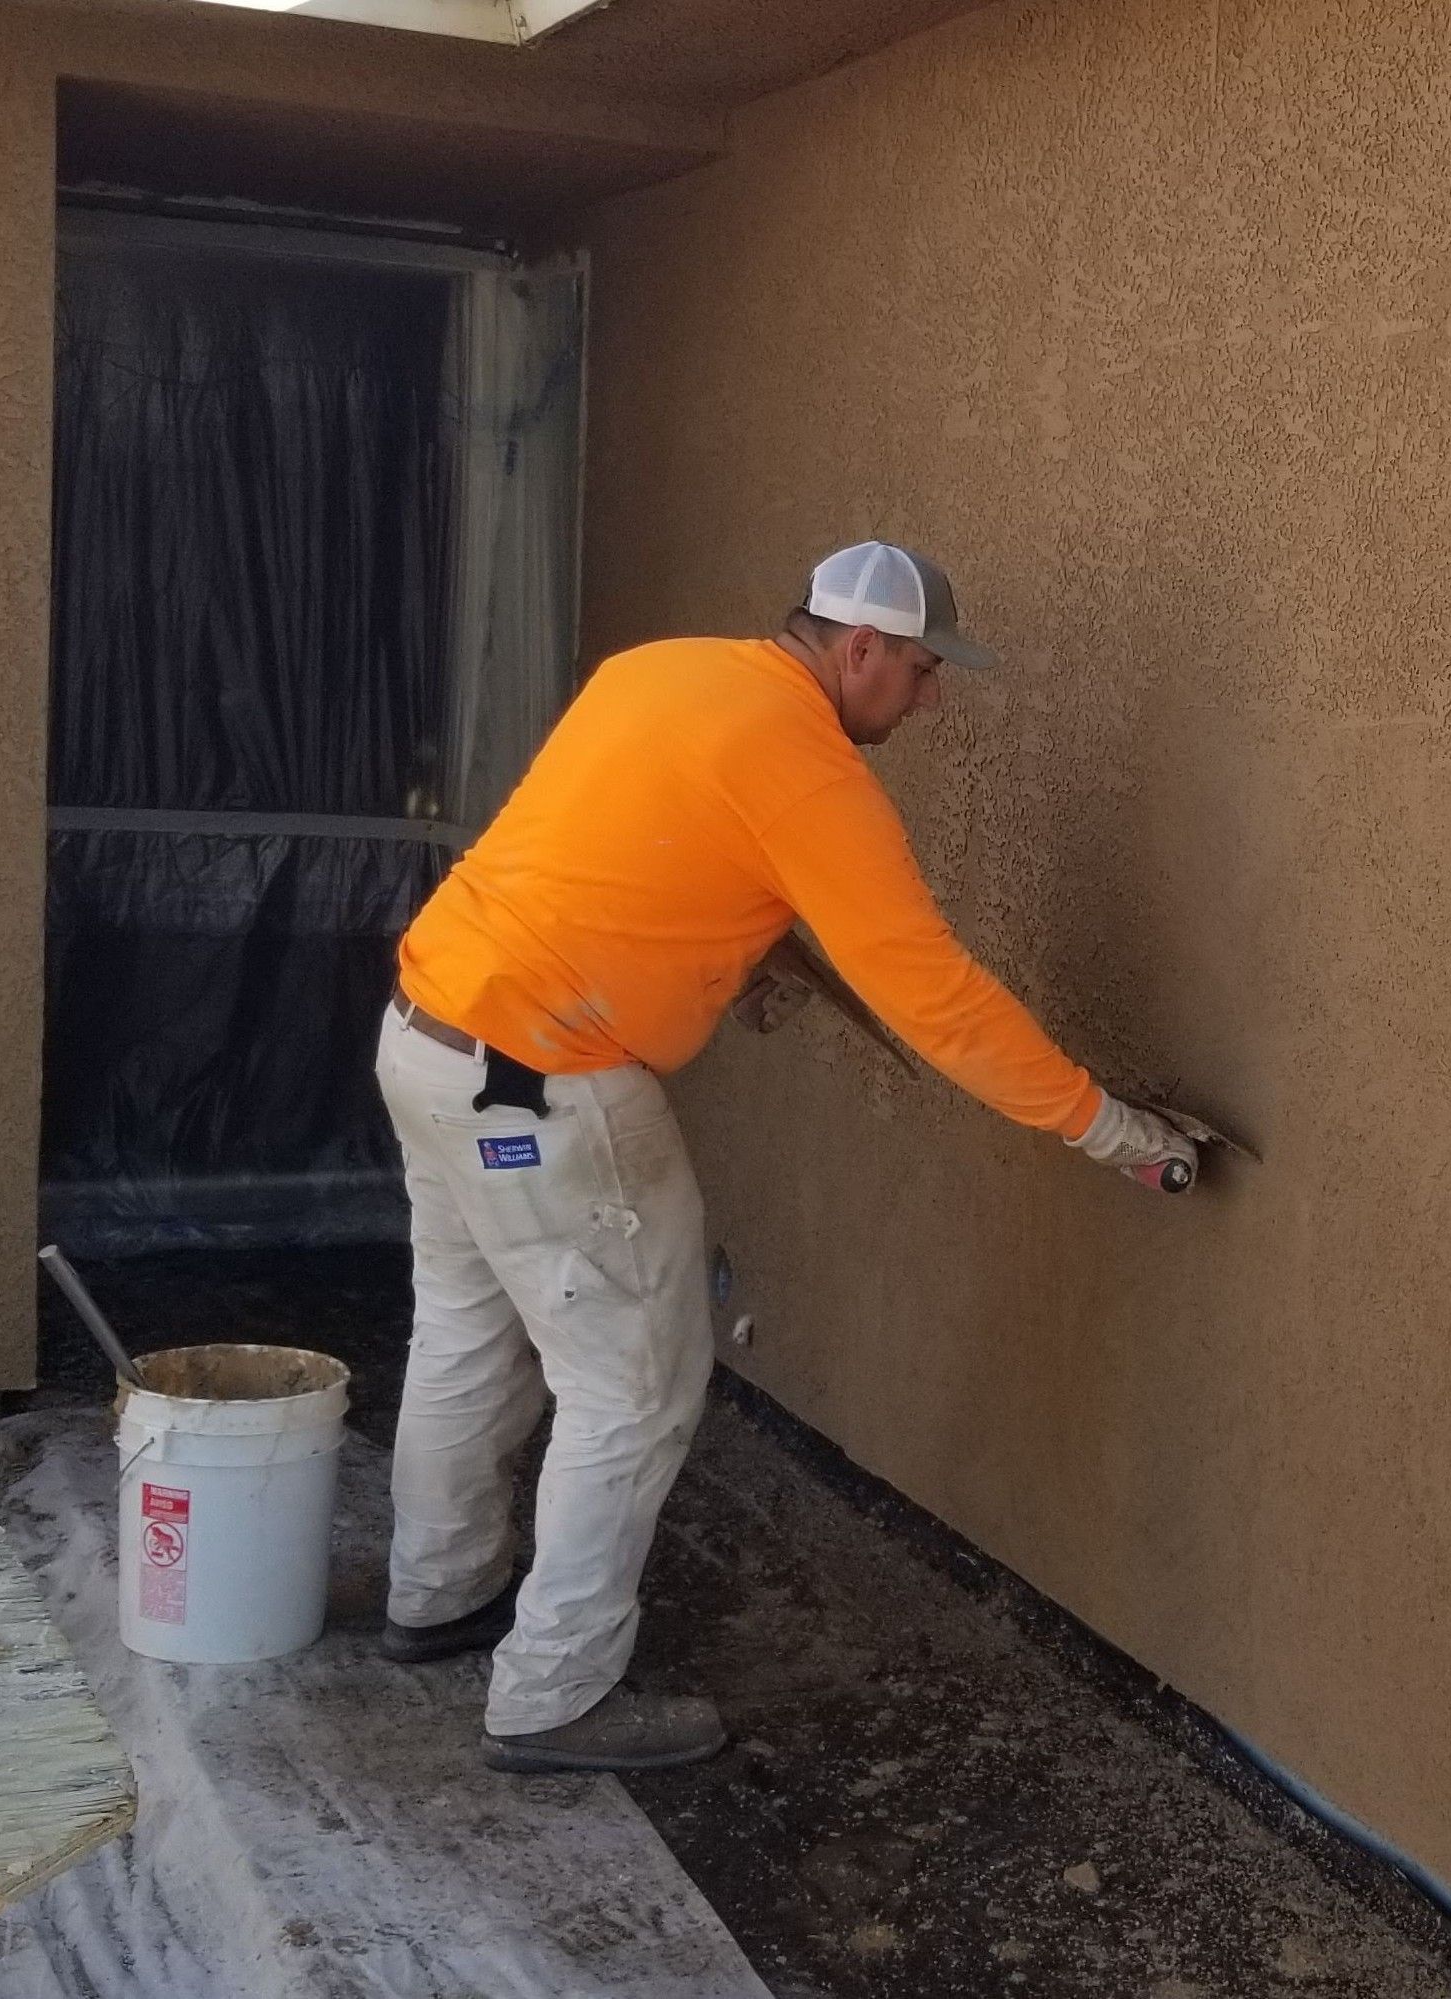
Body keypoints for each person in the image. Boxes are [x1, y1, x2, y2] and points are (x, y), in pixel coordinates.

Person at [374, 541, 1197, 1774]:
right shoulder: (809, 772)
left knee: (465, 1332)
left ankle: (436, 1596)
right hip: (549, 1088)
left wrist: (734, 944)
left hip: (428, 1037)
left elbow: (616, 840)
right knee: (634, 1389)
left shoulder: (659, 673)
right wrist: (1106, 1129)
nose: (926, 701)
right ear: (856, 648)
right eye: (919, 673)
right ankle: (550, 1695)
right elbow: (938, 1001)